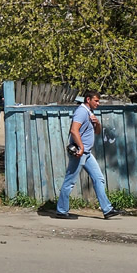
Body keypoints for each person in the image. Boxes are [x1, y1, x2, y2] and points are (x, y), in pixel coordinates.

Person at [54, 89, 120, 219]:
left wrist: (97, 123)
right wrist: (81, 147)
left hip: (87, 153)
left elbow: (97, 132)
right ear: (88, 100)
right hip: (80, 152)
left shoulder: (89, 112)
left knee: (99, 179)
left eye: (99, 101)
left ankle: (107, 209)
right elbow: (74, 130)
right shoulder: (81, 111)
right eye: (96, 100)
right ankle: (61, 210)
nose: (98, 103)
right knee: (70, 181)